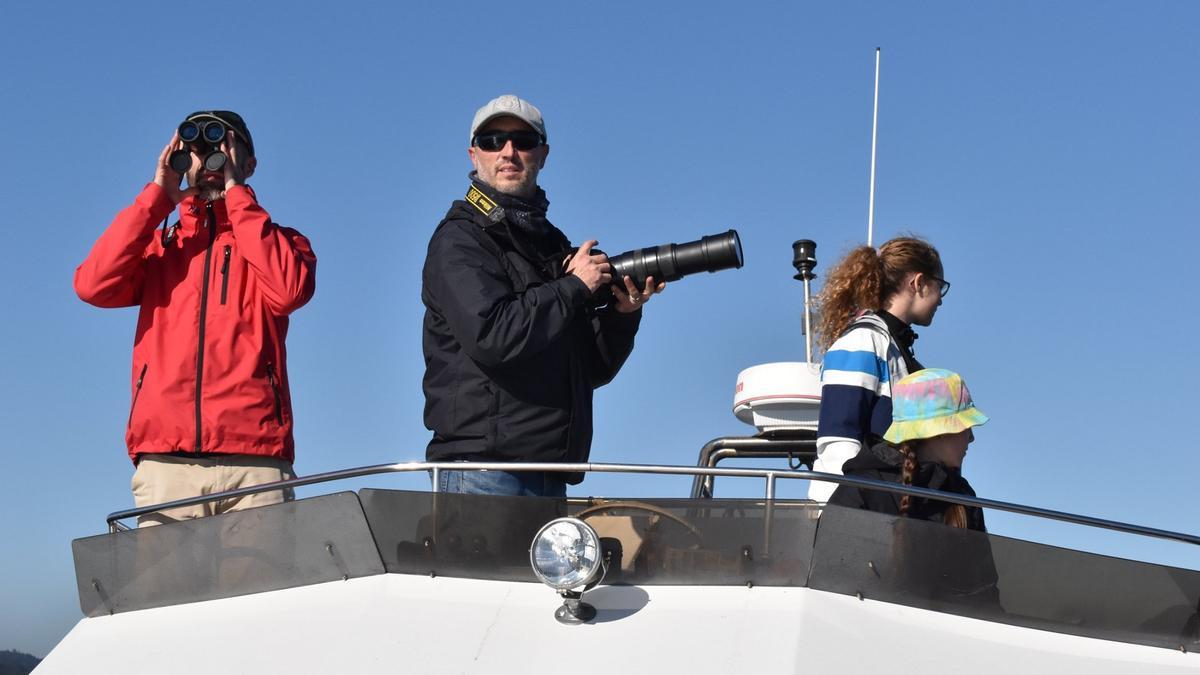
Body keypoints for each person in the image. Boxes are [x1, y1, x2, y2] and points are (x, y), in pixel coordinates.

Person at [75, 110, 317, 526]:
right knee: (169, 593)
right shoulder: (161, 249)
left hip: (254, 458)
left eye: (222, 149)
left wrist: (237, 194)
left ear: (249, 162)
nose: (207, 162)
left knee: (263, 593)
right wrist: (156, 197)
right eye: (195, 150)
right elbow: (93, 285)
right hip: (167, 461)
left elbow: (288, 290)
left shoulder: (282, 242)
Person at [421, 94, 664, 497]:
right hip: (483, 473)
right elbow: (493, 335)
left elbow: (588, 369)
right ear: (473, 154)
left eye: (524, 141)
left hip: (550, 471)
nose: (508, 152)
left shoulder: (551, 244)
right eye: (492, 140)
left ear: (543, 154)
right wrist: (572, 287)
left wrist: (621, 315)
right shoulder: (460, 239)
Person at [809, 236, 947, 502]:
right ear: (919, 282)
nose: (941, 299)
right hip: (854, 518)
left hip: (887, 511)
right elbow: (839, 442)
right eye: (940, 286)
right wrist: (850, 514)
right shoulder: (861, 342)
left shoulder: (896, 349)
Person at [827, 368, 989, 530]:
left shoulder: (964, 495)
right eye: (966, 426)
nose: (971, 437)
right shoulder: (861, 489)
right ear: (940, 430)